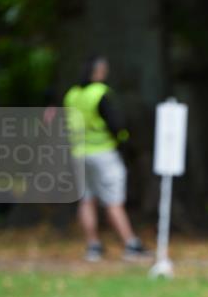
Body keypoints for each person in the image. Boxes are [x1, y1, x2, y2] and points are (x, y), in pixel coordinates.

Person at [63, 56, 148, 261]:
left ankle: (93, 246)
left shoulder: (72, 95)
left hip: (78, 154)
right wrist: (125, 140)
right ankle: (130, 244)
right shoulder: (99, 93)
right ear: (99, 72)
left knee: (86, 200)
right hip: (102, 153)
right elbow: (115, 124)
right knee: (113, 201)